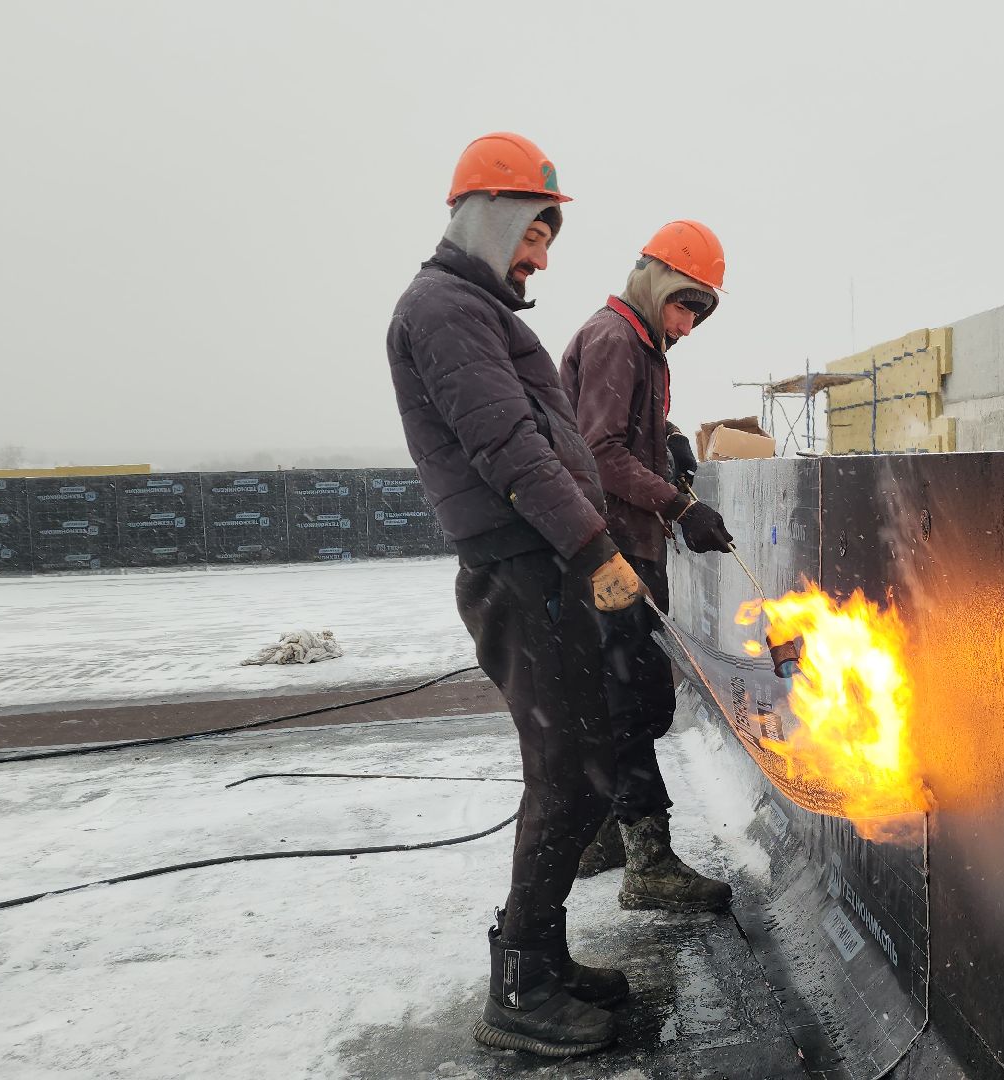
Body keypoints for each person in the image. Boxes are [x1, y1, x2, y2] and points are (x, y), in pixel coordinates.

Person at [385, 131, 639, 1058]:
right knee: (566, 772)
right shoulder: (444, 310)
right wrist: (593, 545)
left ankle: (544, 955)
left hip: (544, 565)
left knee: (587, 764)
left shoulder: (475, 310)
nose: (541, 258)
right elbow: (506, 446)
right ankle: (520, 987)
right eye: (534, 234)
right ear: (491, 215)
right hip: (523, 569)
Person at [560, 221, 736, 913]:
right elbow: (599, 451)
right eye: (685, 306)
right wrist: (680, 505)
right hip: (608, 553)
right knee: (629, 705)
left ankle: (606, 832)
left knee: (639, 702)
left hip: (627, 547)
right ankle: (649, 862)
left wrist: (670, 439)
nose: (689, 326)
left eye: (701, 313)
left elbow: (626, 431)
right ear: (657, 283)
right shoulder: (615, 339)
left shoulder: (643, 345)